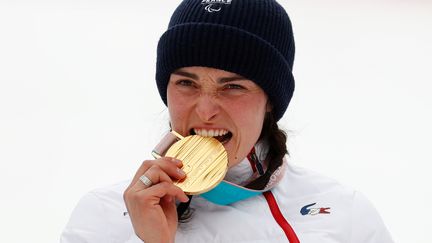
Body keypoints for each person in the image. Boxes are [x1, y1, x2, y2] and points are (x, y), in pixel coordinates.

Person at [61, 0, 394, 242]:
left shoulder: (341, 212)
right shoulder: (102, 217)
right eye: (186, 83)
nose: (205, 110)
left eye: (233, 86)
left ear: (270, 102)